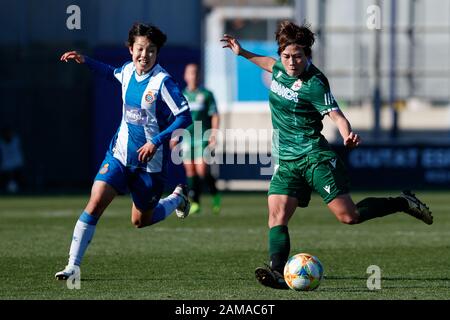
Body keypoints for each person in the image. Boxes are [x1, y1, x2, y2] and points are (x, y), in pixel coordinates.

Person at [221, 21, 433, 289]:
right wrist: (243, 53)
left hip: (314, 157)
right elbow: (267, 62)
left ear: (308, 55)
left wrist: (347, 133)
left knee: (349, 216)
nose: (291, 62)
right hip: (286, 160)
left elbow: (335, 114)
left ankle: (402, 202)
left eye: (298, 56)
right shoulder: (278, 67)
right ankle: (276, 271)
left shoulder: (315, 83)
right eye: (286, 56)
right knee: (276, 216)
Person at [55, 23, 193, 280]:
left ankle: (177, 198)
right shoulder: (128, 71)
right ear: (131, 49)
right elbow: (110, 73)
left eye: (151, 50)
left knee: (140, 221)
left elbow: (184, 116)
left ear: (157, 53)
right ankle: (73, 265)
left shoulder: (163, 82)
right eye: (140, 49)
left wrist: (156, 141)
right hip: (119, 155)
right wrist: (85, 60)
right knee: (95, 202)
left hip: (150, 165)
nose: (145, 55)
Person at [176, 63, 221, 215]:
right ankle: (195, 202)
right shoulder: (182, 95)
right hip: (187, 137)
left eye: (195, 72)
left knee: (202, 170)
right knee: (190, 170)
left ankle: (215, 195)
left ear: (199, 75)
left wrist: (213, 134)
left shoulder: (206, 94)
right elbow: (178, 118)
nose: (193, 75)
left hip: (202, 136)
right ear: (185, 76)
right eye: (190, 73)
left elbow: (214, 114)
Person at [0, 126, 25, 193]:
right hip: (6, 166)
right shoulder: (1, 142)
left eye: (9, 132)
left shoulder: (16, 140)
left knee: (20, 181)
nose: (8, 134)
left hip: (17, 164)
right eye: (6, 133)